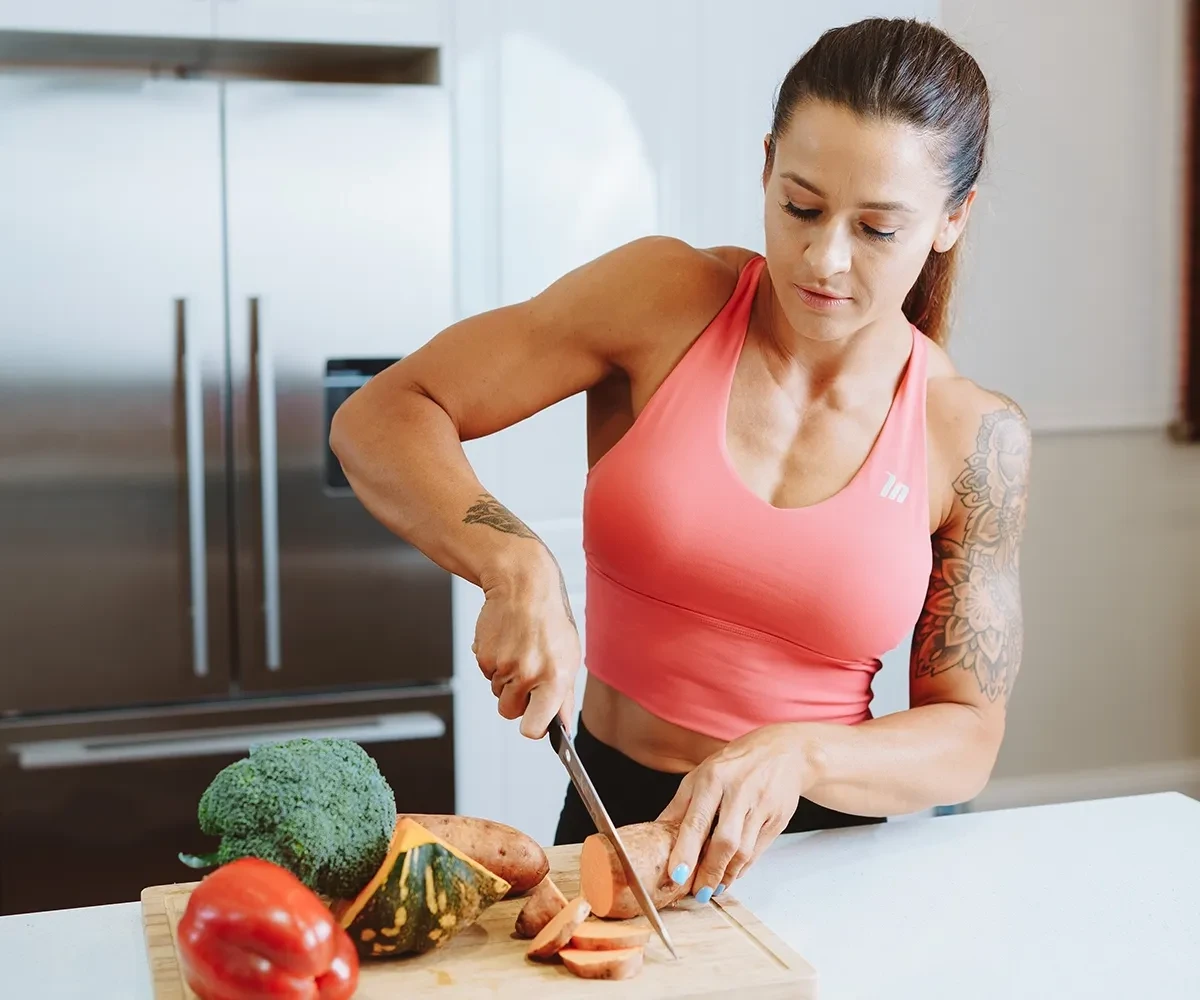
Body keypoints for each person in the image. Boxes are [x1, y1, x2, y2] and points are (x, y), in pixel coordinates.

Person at [330, 16, 1030, 906]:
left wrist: (800, 748)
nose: (825, 258)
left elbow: (967, 736)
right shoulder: (663, 299)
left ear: (950, 221)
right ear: (767, 164)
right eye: (802, 206)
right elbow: (384, 412)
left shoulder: (975, 439)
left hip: (824, 862)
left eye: (879, 229)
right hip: (608, 826)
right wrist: (515, 565)